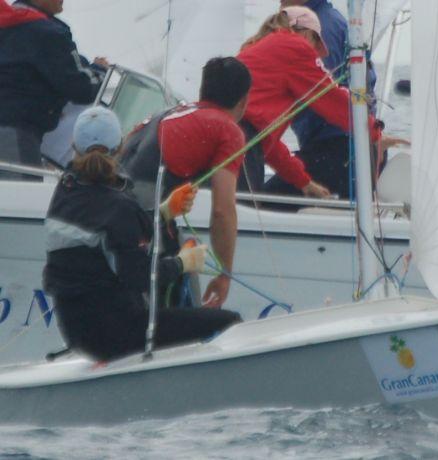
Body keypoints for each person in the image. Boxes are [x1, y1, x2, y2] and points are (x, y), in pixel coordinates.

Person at [43, 106, 241, 362]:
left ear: (74, 146)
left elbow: (112, 230)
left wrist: (164, 211)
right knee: (229, 322)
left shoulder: (66, 191)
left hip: (76, 333)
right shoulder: (118, 204)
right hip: (113, 335)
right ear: (120, 147)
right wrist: (183, 263)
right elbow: (139, 276)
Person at [120, 57, 252, 308]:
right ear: (244, 101)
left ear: (202, 89)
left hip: (116, 218)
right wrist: (224, 275)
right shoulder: (228, 130)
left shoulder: (165, 113)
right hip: (143, 230)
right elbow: (223, 210)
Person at [237, 6, 406, 199]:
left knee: (234, 207)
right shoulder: (294, 46)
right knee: (239, 210)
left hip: (226, 135)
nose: (317, 56)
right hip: (241, 142)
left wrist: (304, 182)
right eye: (316, 45)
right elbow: (332, 99)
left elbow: (268, 143)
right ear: (307, 34)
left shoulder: (256, 50)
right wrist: (374, 132)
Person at [274, 0, 379, 198]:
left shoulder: (319, 29)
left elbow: (323, 95)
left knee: (256, 201)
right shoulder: (323, 21)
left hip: (341, 151)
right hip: (349, 147)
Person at [0, 0, 106, 177]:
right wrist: (101, 72)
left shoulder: (9, 25)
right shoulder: (45, 32)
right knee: (21, 194)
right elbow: (82, 87)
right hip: (15, 139)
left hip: (14, 135)